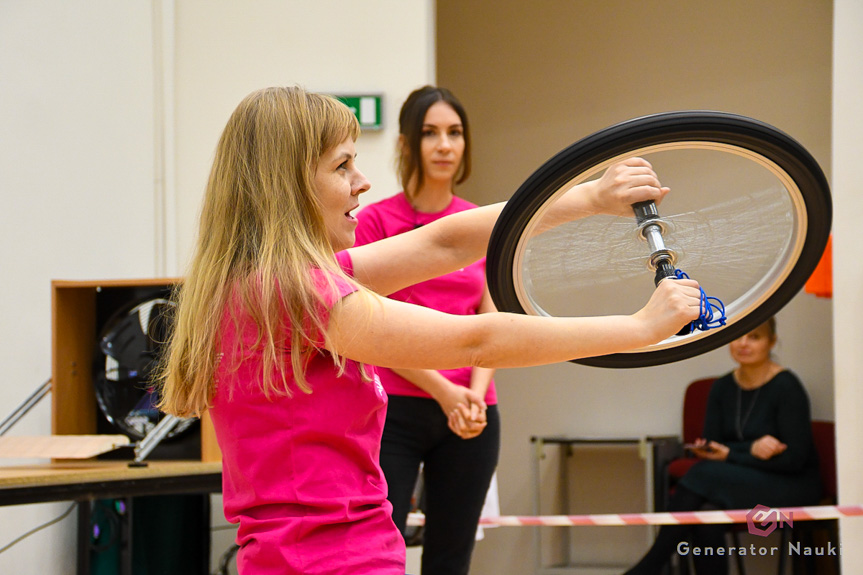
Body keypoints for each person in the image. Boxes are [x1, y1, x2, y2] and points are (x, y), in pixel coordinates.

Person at [157, 85, 701, 575]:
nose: (361, 182)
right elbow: (473, 339)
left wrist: (587, 199)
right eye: (343, 166)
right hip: (330, 561)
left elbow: (442, 243)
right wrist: (638, 327)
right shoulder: (291, 291)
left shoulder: (265, 282)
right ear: (289, 184)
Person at [353, 85, 501, 575]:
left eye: (455, 133)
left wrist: (473, 396)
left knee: (451, 557)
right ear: (404, 144)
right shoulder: (372, 221)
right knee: (380, 549)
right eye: (431, 133)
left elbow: (493, 319)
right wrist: (443, 390)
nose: (444, 145)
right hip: (393, 408)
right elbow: (370, 327)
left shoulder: (480, 223)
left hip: (472, 412)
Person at [624, 317, 821, 575]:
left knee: (700, 475)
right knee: (707, 516)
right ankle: (651, 568)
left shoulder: (787, 386)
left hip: (792, 486)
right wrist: (745, 451)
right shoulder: (722, 387)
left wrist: (733, 454)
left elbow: (794, 459)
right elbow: (714, 448)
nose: (743, 343)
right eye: (738, 336)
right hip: (741, 481)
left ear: (772, 342)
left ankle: (649, 568)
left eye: (755, 337)